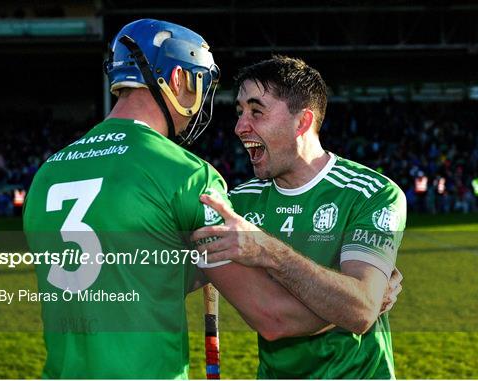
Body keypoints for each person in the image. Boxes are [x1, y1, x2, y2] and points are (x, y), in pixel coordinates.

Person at [23, 20, 367, 379]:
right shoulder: (186, 174)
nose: (201, 97)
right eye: (198, 81)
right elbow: (274, 317)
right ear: (175, 80)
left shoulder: (49, 171)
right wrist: (353, 308)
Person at [193, 56, 407, 379]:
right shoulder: (236, 203)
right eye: (239, 112)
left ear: (302, 122)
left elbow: (361, 309)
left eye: (256, 111)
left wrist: (267, 250)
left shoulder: (370, 193)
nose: (239, 127)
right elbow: (279, 318)